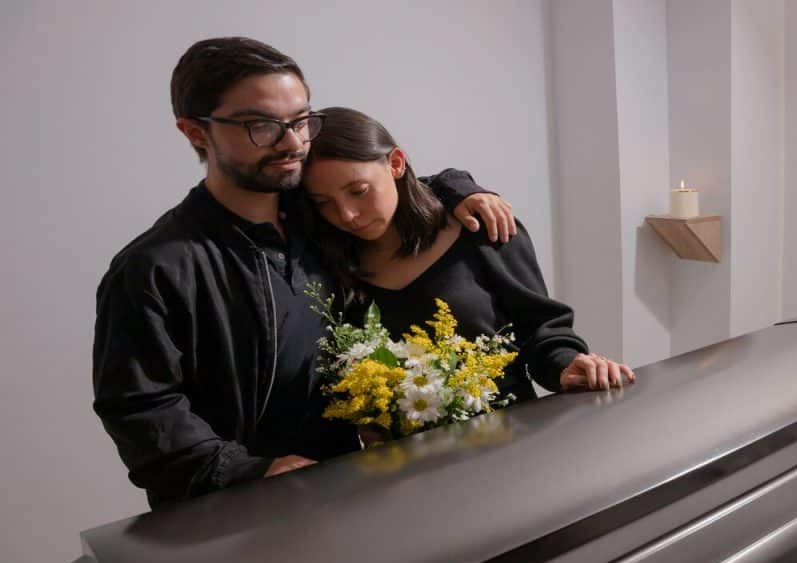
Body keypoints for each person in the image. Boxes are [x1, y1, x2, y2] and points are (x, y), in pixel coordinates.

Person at [92, 37, 516, 508]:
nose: (293, 143)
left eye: (300, 120)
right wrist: (248, 470)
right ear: (195, 132)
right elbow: (139, 406)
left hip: (353, 498)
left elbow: (385, 180)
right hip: (235, 518)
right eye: (261, 125)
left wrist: (460, 189)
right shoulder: (154, 267)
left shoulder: (322, 221)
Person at [304, 107, 635, 403]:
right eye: (324, 203)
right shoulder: (324, 264)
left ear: (395, 163)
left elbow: (542, 329)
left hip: (511, 435)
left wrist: (567, 366)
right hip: (401, 450)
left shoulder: (482, 227)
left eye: (358, 191)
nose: (347, 215)